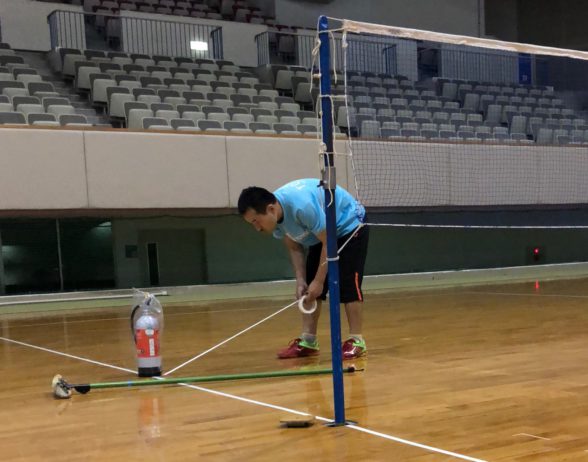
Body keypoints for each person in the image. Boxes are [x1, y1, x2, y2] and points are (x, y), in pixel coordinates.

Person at [238, 178, 369, 360]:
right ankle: (308, 342)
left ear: (270, 209)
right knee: (308, 286)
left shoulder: (302, 206)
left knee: (348, 285)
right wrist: (301, 280)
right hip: (321, 234)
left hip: (349, 226)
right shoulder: (277, 219)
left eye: (256, 221)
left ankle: (356, 341)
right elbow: (294, 246)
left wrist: (319, 281)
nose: (256, 227)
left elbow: (329, 242)